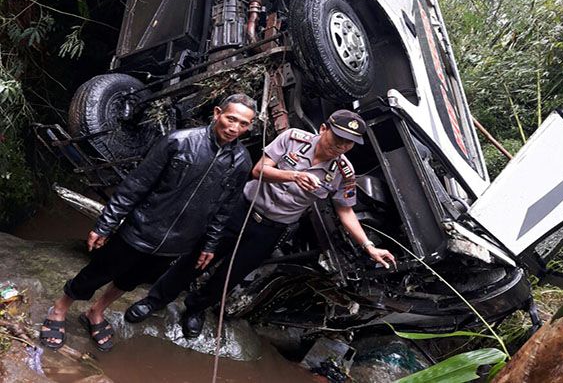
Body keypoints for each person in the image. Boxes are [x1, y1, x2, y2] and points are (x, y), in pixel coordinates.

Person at [124, 109, 396, 338]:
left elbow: (345, 211)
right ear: (324, 128)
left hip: (272, 229)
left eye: (348, 143)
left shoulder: (344, 173)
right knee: (198, 258)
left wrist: (369, 246)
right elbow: (258, 171)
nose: (341, 146)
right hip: (241, 210)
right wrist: (293, 176)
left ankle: (195, 308)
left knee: (230, 275)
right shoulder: (292, 138)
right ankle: (154, 300)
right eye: (338, 137)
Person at [39, 93, 257, 351]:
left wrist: (209, 245)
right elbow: (136, 184)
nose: (234, 128)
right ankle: (59, 309)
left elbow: (224, 210)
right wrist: (105, 224)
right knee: (98, 272)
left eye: (243, 124)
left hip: (178, 242)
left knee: (130, 281)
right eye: (231, 119)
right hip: (140, 228)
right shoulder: (179, 142)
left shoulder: (241, 162)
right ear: (217, 113)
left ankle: (96, 311)